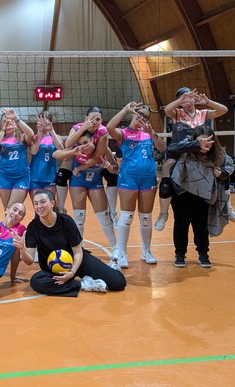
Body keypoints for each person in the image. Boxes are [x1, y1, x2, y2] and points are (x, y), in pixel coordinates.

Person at [20, 189, 126, 297]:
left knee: (118, 283)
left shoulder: (66, 221)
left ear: (52, 203)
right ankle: (84, 284)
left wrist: (71, 273)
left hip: (77, 261)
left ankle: (110, 268)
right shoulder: (33, 227)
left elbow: (78, 252)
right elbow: (29, 261)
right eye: (36, 203)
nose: (39, 206)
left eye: (43, 202)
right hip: (55, 268)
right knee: (36, 281)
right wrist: (22, 249)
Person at [155, 87, 229, 231]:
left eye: (189, 97)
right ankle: (163, 214)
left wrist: (208, 102)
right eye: (183, 99)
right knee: (167, 172)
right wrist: (180, 101)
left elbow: (223, 110)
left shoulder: (202, 113)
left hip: (198, 156)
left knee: (222, 168)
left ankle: (228, 208)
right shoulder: (177, 113)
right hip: (179, 154)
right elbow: (167, 110)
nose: (187, 101)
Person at [106, 102, 166, 268]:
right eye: (140, 114)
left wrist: (152, 133)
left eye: (146, 117)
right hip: (129, 178)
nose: (143, 118)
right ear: (134, 114)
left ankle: (146, 251)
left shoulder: (148, 133)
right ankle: (122, 253)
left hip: (148, 178)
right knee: (127, 216)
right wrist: (124, 109)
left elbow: (163, 148)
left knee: (146, 217)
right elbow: (109, 128)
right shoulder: (124, 133)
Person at [168, 125, 231, 268]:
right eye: (201, 141)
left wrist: (222, 174)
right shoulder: (186, 148)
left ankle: (203, 254)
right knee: (181, 223)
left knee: (201, 225)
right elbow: (171, 149)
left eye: (207, 141)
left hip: (203, 193)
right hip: (182, 192)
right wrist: (195, 145)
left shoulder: (218, 154)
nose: (204, 144)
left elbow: (229, 167)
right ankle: (180, 253)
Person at [52, 131, 118, 259]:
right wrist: (73, 152)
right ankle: (79, 248)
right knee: (79, 218)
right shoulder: (77, 150)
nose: (84, 146)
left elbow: (116, 169)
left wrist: (109, 167)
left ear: (92, 140)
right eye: (81, 144)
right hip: (78, 182)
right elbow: (56, 154)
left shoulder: (103, 149)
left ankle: (115, 248)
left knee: (103, 217)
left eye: (86, 142)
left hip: (95, 182)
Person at [0, 108, 35, 209]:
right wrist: (3, 130)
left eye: (11, 121)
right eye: (5, 122)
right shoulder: (1, 139)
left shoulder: (22, 137)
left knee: (13, 208)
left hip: (21, 177)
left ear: (15, 123)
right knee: (7, 210)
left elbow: (31, 134)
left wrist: (17, 119)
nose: (8, 123)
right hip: (4, 177)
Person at [29, 111, 64, 201]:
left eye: (44, 121)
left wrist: (51, 130)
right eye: (40, 121)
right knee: (37, 205)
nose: (42, 124)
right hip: (35, 177)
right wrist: (39, 133)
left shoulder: (56, 137)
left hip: (50, 177)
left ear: (50, 122)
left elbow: (61, 149)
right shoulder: (34, 137)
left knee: (50, 205)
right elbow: (33, 152)